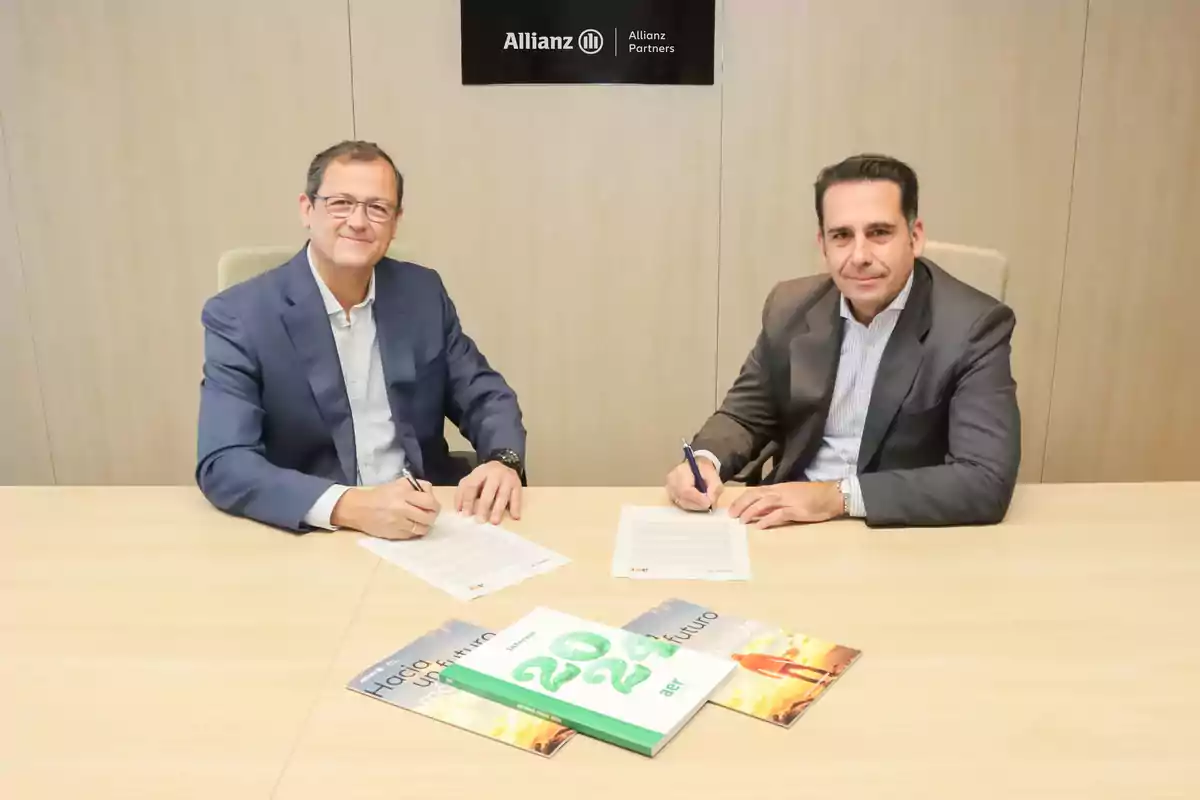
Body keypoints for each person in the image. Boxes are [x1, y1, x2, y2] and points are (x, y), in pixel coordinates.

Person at [666, 153, 1020, 527]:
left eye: (879, 233)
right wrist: (706, 460)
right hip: (789, 524)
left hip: (899, 531)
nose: (860, 255)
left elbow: (984, 480)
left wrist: (837, 497)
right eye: (842, 236)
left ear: (914, 238)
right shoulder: (790, 308)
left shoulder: (974, 327)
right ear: (823, 245)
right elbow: (744, 415)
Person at [197, 140, 526, 538]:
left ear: (395, 220)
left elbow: (485, 396)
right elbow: (225, 461)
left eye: (377, 208)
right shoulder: (240, 314)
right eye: (341, 203)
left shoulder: (421, 292)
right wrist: (350, 506)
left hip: (426, 522)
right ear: (307, 209)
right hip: (312, 531)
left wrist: (502, 461)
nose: (358, 221)